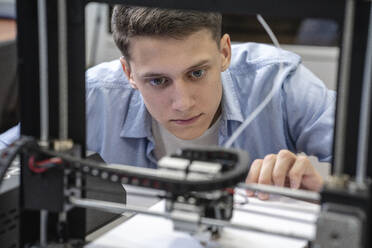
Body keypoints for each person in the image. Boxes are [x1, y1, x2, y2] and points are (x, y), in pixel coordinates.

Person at [0, 5, 335, 200]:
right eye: (158, 81)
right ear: (128, 72)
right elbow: (7, 158)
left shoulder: (280, 84)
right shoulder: (90, 96)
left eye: (197, 73)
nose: (182, 103)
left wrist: (328, 189)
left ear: (224, 52)